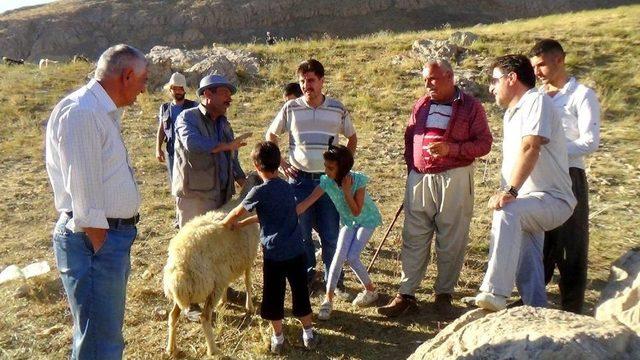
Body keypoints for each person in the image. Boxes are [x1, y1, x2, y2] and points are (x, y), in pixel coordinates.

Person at [45, 44, 147, 359]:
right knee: (99, 343)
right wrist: (102, 247)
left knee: (104, 335)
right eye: (143, 79)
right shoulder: (84, 113)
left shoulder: (97, 111)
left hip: (105, 241)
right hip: (95, 242)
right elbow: (85, 203)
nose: (144, 88)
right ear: (127, 75)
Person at [378, 59, 492, 318]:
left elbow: (484, 144)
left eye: (432, 79)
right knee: (413, 235)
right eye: (425, 80)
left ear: (449, 76)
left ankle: (443, 294)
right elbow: (410, 139)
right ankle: (406, 294)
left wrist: (452, 149)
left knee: (451, 237)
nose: (427, 84)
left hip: (455, 176)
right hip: (420, 177)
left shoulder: (471, 106)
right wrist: (411, 170)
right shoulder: (421, 105)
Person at [474, 54, 576, 312]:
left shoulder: (536, 100)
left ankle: (495, 292)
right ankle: (535, 307)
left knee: (507, 211)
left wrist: (509, 191)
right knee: (527, 256)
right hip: (530, 201)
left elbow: (531, 146)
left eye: (495, 80)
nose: (490, 87)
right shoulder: (512, 113)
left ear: (512, 78)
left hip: (553, 199)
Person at [266, 59, 357, 297]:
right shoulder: (290, 108)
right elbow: (271, 134)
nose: (307, 85)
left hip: (329, 182)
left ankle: (334, 280)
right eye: (303, 81)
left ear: (322, 81)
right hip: (299, 180)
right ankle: (307, 277)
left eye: (312, 80)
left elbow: (352, 137)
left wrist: (343, 167)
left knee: (330, 232)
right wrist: (281, 163)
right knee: (302, 232)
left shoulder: (337, 108)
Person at [222, 141, 319, 354]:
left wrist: (223, 225)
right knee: (300, 292)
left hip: (274, 255)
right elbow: (275, 215)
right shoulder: (287, 187)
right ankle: (308, 334)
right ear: (278, 163)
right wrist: (244, 224)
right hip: (296, 252)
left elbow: (238, 211)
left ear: (256, 167)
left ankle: (278, 338)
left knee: (273, 296)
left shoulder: (258, 192)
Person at [530, 39, 600, 314]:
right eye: (534, 66)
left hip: (569, 173)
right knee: (540, 237)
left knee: (572, 241)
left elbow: (590, 141)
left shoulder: (582, 95)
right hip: (537, 175)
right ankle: (532, 299)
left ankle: (572, 306)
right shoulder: (535, 97)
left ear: (560, 60)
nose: (537, 71)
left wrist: (554, 151)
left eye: (542, 64)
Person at [296, 141, 382, 320]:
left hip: (366, 220)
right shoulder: (326, 181)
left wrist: (347, 191)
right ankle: (328, 299)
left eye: (331, 168)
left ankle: (370, 291)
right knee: (337, 256)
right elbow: (309, 201)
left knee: (351, 257)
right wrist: (293, 212)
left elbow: (356, 210)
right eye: (325, 167)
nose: (326, 171)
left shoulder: (357, 180)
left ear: (342, 168)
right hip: (349, 223)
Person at [172, 74, 251, 228]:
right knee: (194, 247)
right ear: (208, 94)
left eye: (230, 94)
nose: (230, 99)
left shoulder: (224, 124)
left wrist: (246, 185)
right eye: (224, 93)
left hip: (223, 197)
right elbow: (192, 143)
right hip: (196, 198)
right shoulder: (187, 117)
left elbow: (232, 159)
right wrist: (225, 146)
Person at [155, 72, 197, 186]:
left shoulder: (194, 106)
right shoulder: (164, 108)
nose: (178, 91)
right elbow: (162, 129)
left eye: (180, 88)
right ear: (170, 90)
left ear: (184, 90)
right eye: (175, 88)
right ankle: (178, 203)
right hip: (171, 151)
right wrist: (158, 149)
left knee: (191, 182)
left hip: (190, 151)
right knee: (175, 182)